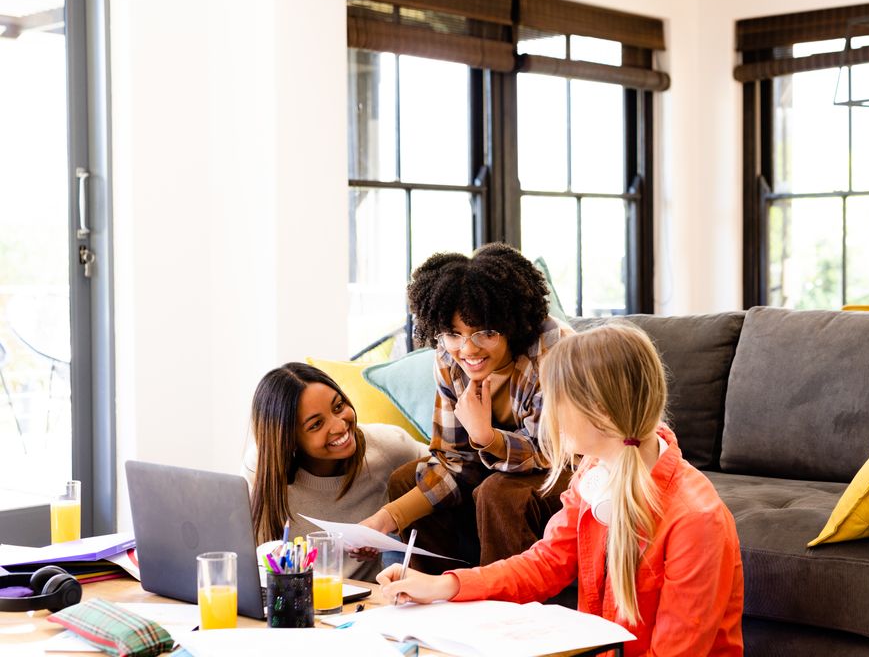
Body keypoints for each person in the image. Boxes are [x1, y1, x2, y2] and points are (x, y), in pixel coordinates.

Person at [376, 323, 745, 657]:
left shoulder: (696, 520)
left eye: (556, 401)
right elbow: (545, 564)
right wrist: (443, 586)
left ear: (599, 411)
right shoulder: (594, 472)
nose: (547, 416)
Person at [359, 243, 574, 568]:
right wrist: (384, 520)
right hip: (503, 465)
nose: (467, 349)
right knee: (406, 480)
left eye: (484, 333)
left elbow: (551, 453)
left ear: (510, 324)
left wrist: (486, 437)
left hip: (568, 468)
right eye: (453, 334)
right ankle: (434, 596)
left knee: (500, 493)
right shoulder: (447, 357)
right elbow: (455, 460)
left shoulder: (552, 349)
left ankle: (501, 605)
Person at [248, 362, 427, 581]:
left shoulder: (386, 447)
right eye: (316, 425)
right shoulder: (261, 466)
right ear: (289, 440)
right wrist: (271, 552)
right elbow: (244, 550)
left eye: (338, 406)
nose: (340, 426)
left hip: (365, 602)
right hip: (292, 600)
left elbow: (448, 471)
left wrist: (388, 528)